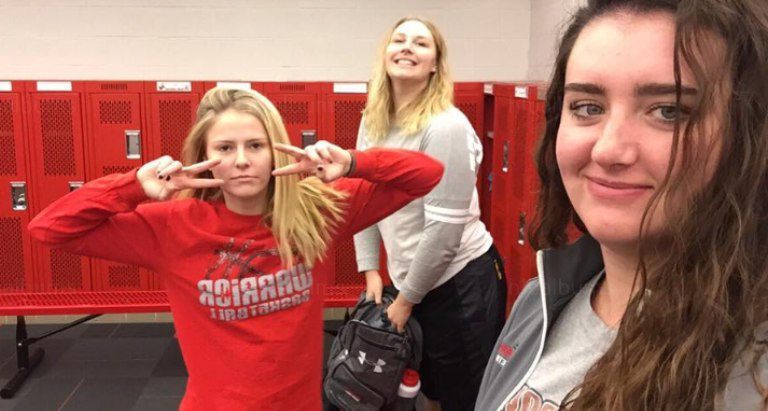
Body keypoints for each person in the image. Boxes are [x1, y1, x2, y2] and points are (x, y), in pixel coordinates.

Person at [27, 88, 444, 410]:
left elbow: (427, 174)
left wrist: (353, 162)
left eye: (256, 146)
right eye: (225, 148)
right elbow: (49, 228)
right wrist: (133, 185)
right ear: (204, 157)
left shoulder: (316, 211)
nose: (242, 160)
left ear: (275, 151)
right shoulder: (172, 226)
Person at [475, 0, 768, 410]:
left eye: (669, 111)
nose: (609, 150)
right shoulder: (541, 301)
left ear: (747, 138)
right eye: (587, 107)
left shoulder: (753, 373)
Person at [353, 17, 507, 411]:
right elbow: (362, 197)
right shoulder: (373, 120)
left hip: (459, 282)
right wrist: (370, 269)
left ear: (435, 64)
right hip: (413, 282)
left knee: (466, 397)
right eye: (399, 40)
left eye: (421, 43)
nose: (407, 47)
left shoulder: (445, 127)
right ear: (386, 54)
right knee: (428, 388)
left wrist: (406, 300)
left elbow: (444, 232)